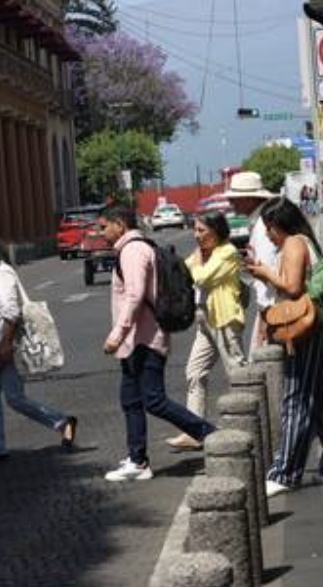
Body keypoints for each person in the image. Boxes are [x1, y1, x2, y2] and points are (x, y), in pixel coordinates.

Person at [99, 206, 216, 481]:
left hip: (144, 338)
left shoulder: (133, 251)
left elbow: (136, 294)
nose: (100, 232)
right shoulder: (134, 248)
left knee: (153, 399)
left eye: (104, 226)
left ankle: (210, 434)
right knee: (131, 399)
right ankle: (137, 459)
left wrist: (117, 334)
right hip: (137, 339)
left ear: (119, 224)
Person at [246, 198, 323, 497]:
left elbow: (292, 287)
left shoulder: (293, 243)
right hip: (318, 327)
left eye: (269, 228)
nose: (267, 235)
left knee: (296, 397)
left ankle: (285, 472)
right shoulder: (305, 240)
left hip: (307, 329)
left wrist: (264, 273)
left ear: (281, 224)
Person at [0, 232, 77, 462]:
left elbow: (11, 312)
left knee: (14, 398)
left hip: (6, 346)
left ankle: (61, 421)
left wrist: (5, 345)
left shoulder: (3, 276)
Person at [166, 211, 246, 450]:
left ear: (216, 231)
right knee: (194, 371)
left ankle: (247, 422)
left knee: (236, 370)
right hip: (204, 320)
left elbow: (202, 277)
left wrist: (195, 263)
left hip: (224, 319)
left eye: (201, 230)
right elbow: (182, 270)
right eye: (195, 230)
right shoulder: (202, 254)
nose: (196, 235)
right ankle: (194, 429)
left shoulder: (228, 252)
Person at [225, 171, 277, 356]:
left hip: (272, 306)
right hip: (271, 305)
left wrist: (265, 316)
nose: (231, 203)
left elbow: (266, 271)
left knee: (265, 361)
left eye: (235, 199)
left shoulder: (263, 226)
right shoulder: (260, 222)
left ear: (249, 199)